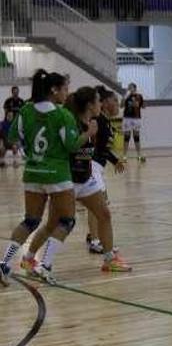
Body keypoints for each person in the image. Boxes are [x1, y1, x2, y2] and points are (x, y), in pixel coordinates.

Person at [22, 86, 131, 276]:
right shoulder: (71, 123)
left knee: (104, 214)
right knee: (53, 224)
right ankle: (29, 258)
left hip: (86, 179)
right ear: (90, 105)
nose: (101, 104)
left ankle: (109, 260)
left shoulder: (94, 123)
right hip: (67, 181)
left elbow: (92, 152)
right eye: (98, 101)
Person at [0, 70, 96, 286]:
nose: (66, 93)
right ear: (54, 90)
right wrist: (88, 133)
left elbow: (12, 137)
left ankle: (4, 263)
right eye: (64, 89)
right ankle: (46, 265)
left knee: (30, 220)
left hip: (33, 173)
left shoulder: (25, 111)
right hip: (57, 175)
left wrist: (28, 144)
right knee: (67, 221)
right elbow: (72, 146)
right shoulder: (62, 115)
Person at [85, 87, 125, 254]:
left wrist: (115, 161)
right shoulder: (98, 120)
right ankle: (96, 241)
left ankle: (94, 237)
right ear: (106, 102)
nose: (117, 104)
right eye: (115, 100)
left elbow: (103, 148)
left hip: (98, 168)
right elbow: (96, 147)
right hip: (93, 166)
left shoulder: (106, 121)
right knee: (99, 207)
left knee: (98, 207)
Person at [122, 83, 146, 163]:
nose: (129, 88)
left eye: (131, 87)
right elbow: (121, 105)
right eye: (129, 87)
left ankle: (139, 155)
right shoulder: (126, 96)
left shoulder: (139, 96)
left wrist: (138, 103)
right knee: (127, 137)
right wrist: (125, 97)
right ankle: (124, 156)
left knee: (136, 137)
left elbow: (143, 106)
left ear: (135, 88)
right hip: (127, 118)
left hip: (136, 118)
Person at [3, 85, 25, 166]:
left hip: (19, 123)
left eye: (17, 91)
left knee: (16, 143)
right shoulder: (8, 101)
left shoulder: (21, 101)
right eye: (14, 92)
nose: (16, 93)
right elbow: (5, 111)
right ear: (12, 92)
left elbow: (24, 113)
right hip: (9, 122)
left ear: (18, 92)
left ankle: (17, 161)